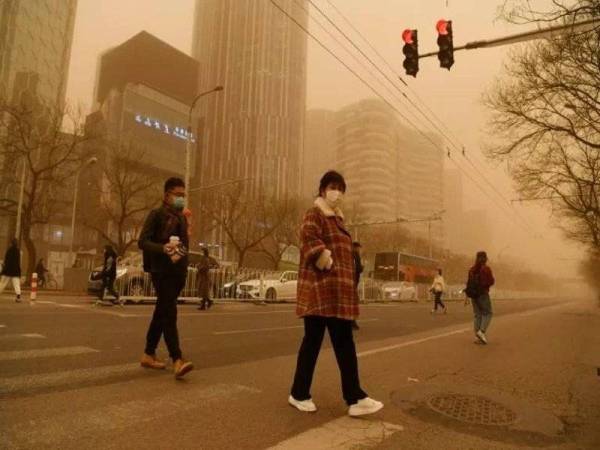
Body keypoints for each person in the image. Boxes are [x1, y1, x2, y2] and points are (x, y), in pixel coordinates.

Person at [289, 170, 383, 417]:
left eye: (341, 188)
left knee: (341, 343)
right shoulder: (315, 213)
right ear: (322, 190)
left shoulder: (338, 220)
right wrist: (326, 260)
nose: (337, 192)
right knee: (315, 343)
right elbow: (308, 239)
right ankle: (303, 394)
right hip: (321, 290)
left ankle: (354, 397)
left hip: (337, 293)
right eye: (333, 187)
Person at [138, 177, 194, 379]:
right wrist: (163, 248)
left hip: (178, 270)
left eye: (183, 196)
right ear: (166, 195)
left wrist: (182, 243)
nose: (181, 199)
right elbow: (142, 242)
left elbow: (184, 246)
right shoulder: (157, 214)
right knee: (169, 312)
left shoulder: (181, 217)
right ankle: (177, 358)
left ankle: (148, 353)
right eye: (178, 195)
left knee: (162, 311)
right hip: (161, 270)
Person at [465, 251, 495, 344]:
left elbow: (468, 283)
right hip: (483, 294)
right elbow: (491, 281)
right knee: (488, 313)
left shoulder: (472, 270)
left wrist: (466, 296)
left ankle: (478, 337)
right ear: (485, 259)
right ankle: (481, 332)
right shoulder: (486, 269)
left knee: (477, 315)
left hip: (473, 295)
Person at [351, 242, 364, 330]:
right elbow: (357, 268)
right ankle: (352, 322)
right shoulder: (354, 255)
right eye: (358, 248)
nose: (359, 250)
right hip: (352, 281)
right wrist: (361, 268)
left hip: (352, 281)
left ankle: (352, 321)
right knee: (353, 302)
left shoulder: (353, 255)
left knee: (352, 302)